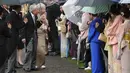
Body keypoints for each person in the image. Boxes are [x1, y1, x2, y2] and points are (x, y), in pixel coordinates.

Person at [5, 5, 26, 73]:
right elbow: (18, 25)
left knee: (13, 54)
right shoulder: (13, 14)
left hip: (12, 36)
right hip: (13, 37)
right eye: (20, 7)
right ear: (18, 8)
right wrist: (24, 22)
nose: (21, 8)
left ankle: (12, 69)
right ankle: (10, 70)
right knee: (12, 55)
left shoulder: (12, 14)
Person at [106, 4, 123, 73]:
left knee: (116, 61)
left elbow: (110, 31)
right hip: (118, 39)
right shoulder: (121, 17)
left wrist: (109, 25)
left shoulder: (118, 18)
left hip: (116, 40)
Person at [23, 4, 39, 72]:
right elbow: (23, 27)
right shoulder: (26, 16)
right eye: (37, 10)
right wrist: (23, 37)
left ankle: (32, 65)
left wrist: (41, 22)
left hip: (34, 35)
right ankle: (26, 66)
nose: (38, 11)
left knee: (34, 51)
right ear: (33, 10)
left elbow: (35, 26)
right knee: (29, 51)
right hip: (28, 36)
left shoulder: (35, 16)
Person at [116, 7, 130, 73]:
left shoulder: (123, 25)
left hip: (126, 46)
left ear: (122, 15)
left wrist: (118, 51)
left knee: (126, 66)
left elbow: (119, 38)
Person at [35, 3, 48, 69]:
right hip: (36, 33)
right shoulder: (36, 15)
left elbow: (47, 24)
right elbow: (35, 24)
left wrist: (45, 22)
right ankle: (37, 63)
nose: (45, 10)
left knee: (42, 49)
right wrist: (40, 19)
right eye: (44, 9)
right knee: (37, 50)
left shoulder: (45, 15)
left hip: (42, 34)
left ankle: (42, 62)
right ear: (40, 9)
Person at [0, 6, 11, 73]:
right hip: (1, 46)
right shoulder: (3, 24)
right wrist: (9, 28)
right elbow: (9, 34)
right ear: (1, 13)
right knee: (2, 66)